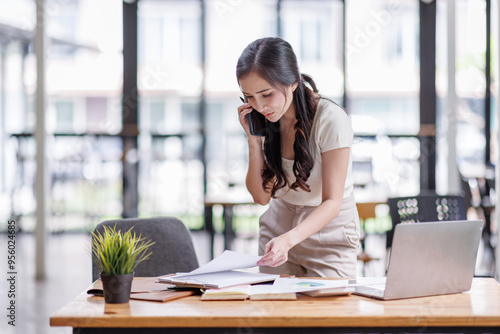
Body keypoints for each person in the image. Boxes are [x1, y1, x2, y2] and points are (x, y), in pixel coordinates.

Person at [236, 37, 360, 278]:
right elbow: (261, 197)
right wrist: (253, 140)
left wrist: (289, 239)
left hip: (328, 231)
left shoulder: (330, 119)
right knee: (276, 311)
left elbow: (332, 202)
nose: (259, 106)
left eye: (266, 94)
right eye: (248, 97)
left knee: (330, 312)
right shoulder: (266, 120)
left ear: (292, 82)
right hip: (279, 226)